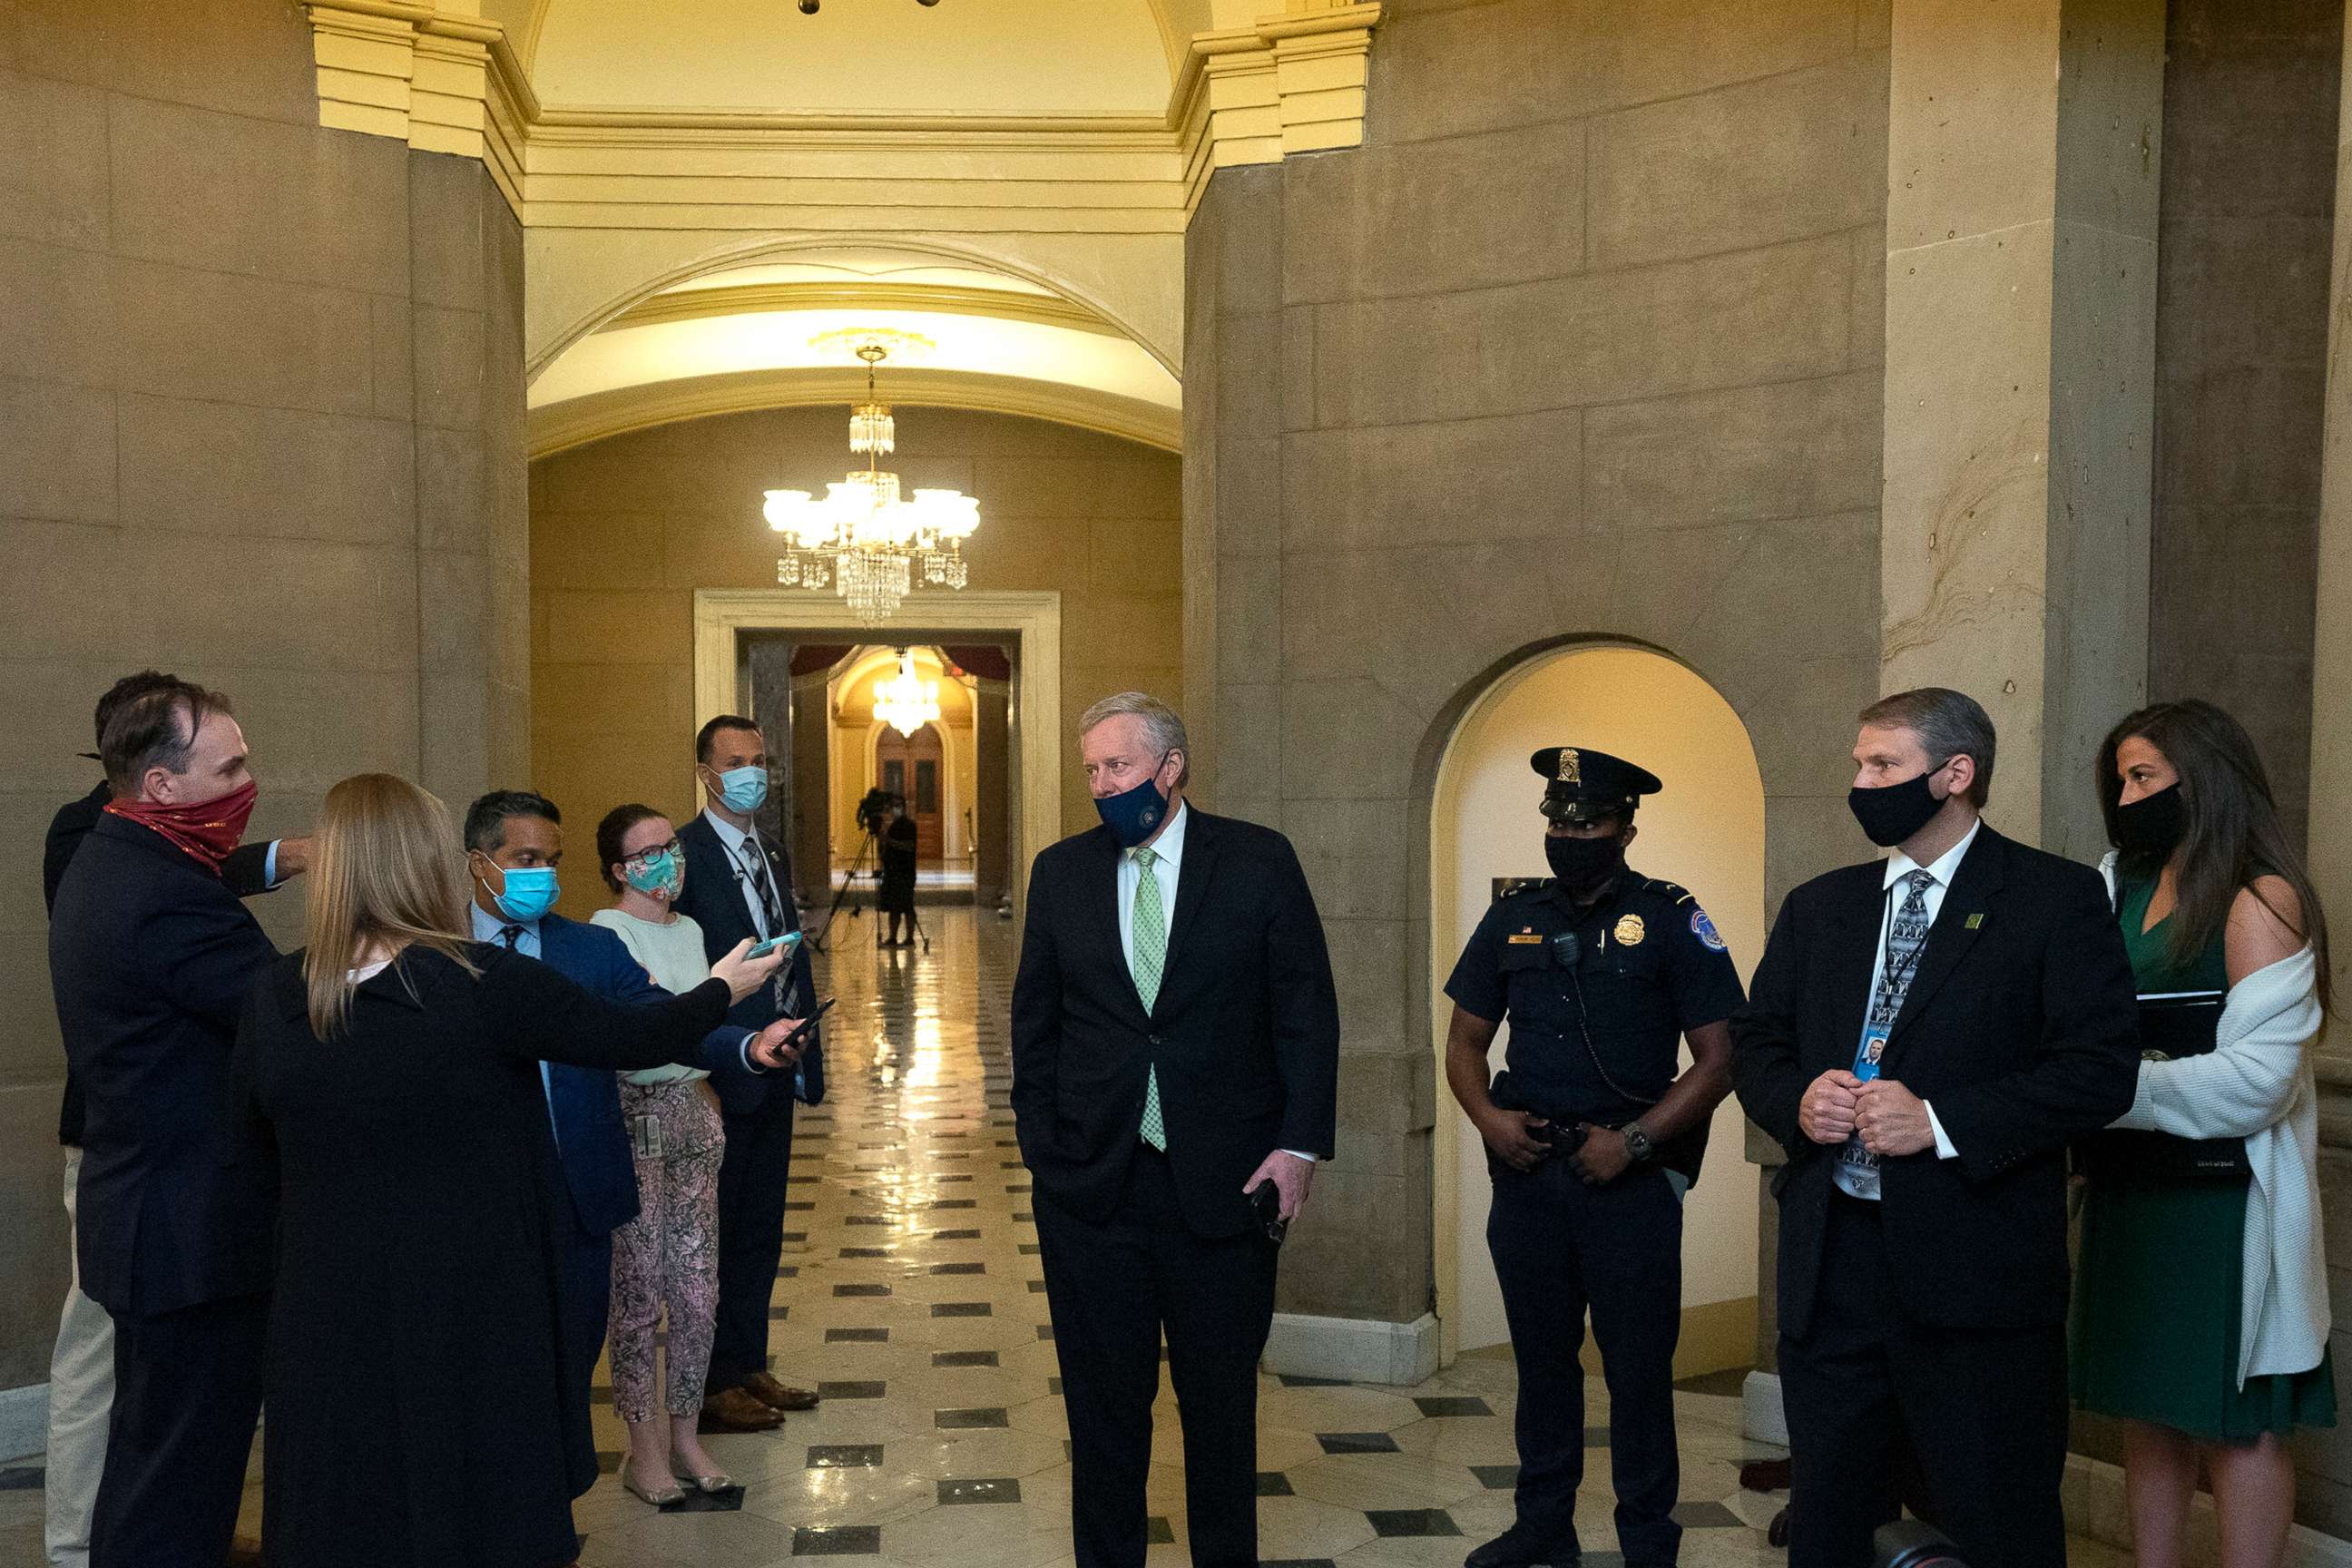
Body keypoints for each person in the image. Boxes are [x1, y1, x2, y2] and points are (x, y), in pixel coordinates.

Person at [233, 773, 793, 1567]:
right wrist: (721, 988)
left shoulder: (274, 994)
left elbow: (250, 1159)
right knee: (474, 1497)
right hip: (466, 1296)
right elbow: (626, 1037)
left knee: (350, 1500)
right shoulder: (476, 983)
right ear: (432, 868)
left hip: (325, 1309)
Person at [1730, 687, 2141, 1568]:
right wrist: (1797, 1099)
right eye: (1858, 764)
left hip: (1975, 1277)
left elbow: (2099, 1071)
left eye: (1883, 765)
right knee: (1833, 1522)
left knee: (1993, 1522)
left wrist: (1939, 1122)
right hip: (1832, 1265)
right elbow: (1757, 1042)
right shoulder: (1821, 906)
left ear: (1956, 774)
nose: (1862, 781)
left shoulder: (2052, 899)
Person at [1012, 691, 1339, 1568]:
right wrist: (1046, 1150)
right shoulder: (1061, 872)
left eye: (1117, 766)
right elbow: (1034, 1027)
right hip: (1093, 1191)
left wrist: (1298, 1146)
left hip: (1228, 1190)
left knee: (1221, 1416)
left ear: (1171, 766)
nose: (1102, 785)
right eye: (1091, 770)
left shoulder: (1258, 862)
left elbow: (1307, 1014)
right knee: (1103, 1415)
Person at [1441, 747, 1744, 1568]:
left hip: (1629, 1184)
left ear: (1626, 828)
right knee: (1542, 1369)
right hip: (1530, 1174)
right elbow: (1465, 1042)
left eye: (1588, 821)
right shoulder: (1514, 916)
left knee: (1639, 1376)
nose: (1568, 834)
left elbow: (1721, 1058)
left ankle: (1648, 1541)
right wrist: (1488, 1120)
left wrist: (1637, 1141)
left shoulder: (1672, 914)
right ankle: (1542, 1526)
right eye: (1557, 820)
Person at [37, 671, 308, 1568]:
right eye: (229, 770)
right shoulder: (165, 894)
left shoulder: (119, 853)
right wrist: (376, 946)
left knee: (151, 1470)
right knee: (180, 1489)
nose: (246, 785)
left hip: (153, 1219)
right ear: (160, 786)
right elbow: (285, 1009)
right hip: (191, 1235)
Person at [461, 788, 805, 1480]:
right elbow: (632, 1038)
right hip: (552, 1150)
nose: (543, 875)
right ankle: (627, 1455)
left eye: (550, 861)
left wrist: (743, 1044)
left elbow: (662, 1021)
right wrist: (719, 996)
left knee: (689, 1292)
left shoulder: (590, 947)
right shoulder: (440, 947)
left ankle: (669, 1445)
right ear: (479, 864)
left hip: (656, 1134)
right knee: (627, 1301)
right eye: (526, 859)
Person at [2073, 701, 2336, 1568]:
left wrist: (2105, 1088)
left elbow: (2255, 1084)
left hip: (2223, 1205)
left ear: (2207, 779)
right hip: (2130, 1186)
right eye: (2120, 779)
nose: (2126, 795)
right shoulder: (2120, 887)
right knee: (2148, 1404)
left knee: (2238, 1418)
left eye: (2144, 776)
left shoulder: (2262, 896)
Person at [590, 803, 770, 1505]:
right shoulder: (608, 933)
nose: (667, 859)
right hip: (637, 1119)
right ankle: (644, 1452)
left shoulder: (693, 929)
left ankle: (687, 1435)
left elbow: (701, 1030)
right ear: (619, 869)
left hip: (696, 1113)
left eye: (671, 846)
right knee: (640, 1294)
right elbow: (657, 1020)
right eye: (648, 851)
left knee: (699, 1289)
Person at [672, 714, 828, 1430]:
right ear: (705, 772)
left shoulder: (770, 850)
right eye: (735, 761)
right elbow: (681, 971)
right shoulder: (683, 853)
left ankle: (748, 1361)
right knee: (718, 1228)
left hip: (779, 1061)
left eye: (759, 759)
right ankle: (708, 1385)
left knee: (762, 1225)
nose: (751, 772)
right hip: (723, 1063)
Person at [878, 795, 920, 946]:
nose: (894, 809)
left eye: (898, 805)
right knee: (893, 907)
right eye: (892, 806)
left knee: (907, 906)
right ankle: (893, 937)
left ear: (903, 807)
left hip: (905, 872)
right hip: (891, 871)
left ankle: (909, 938)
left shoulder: (909, 825)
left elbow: (909, 846)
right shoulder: (892, 826)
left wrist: (889, 841)